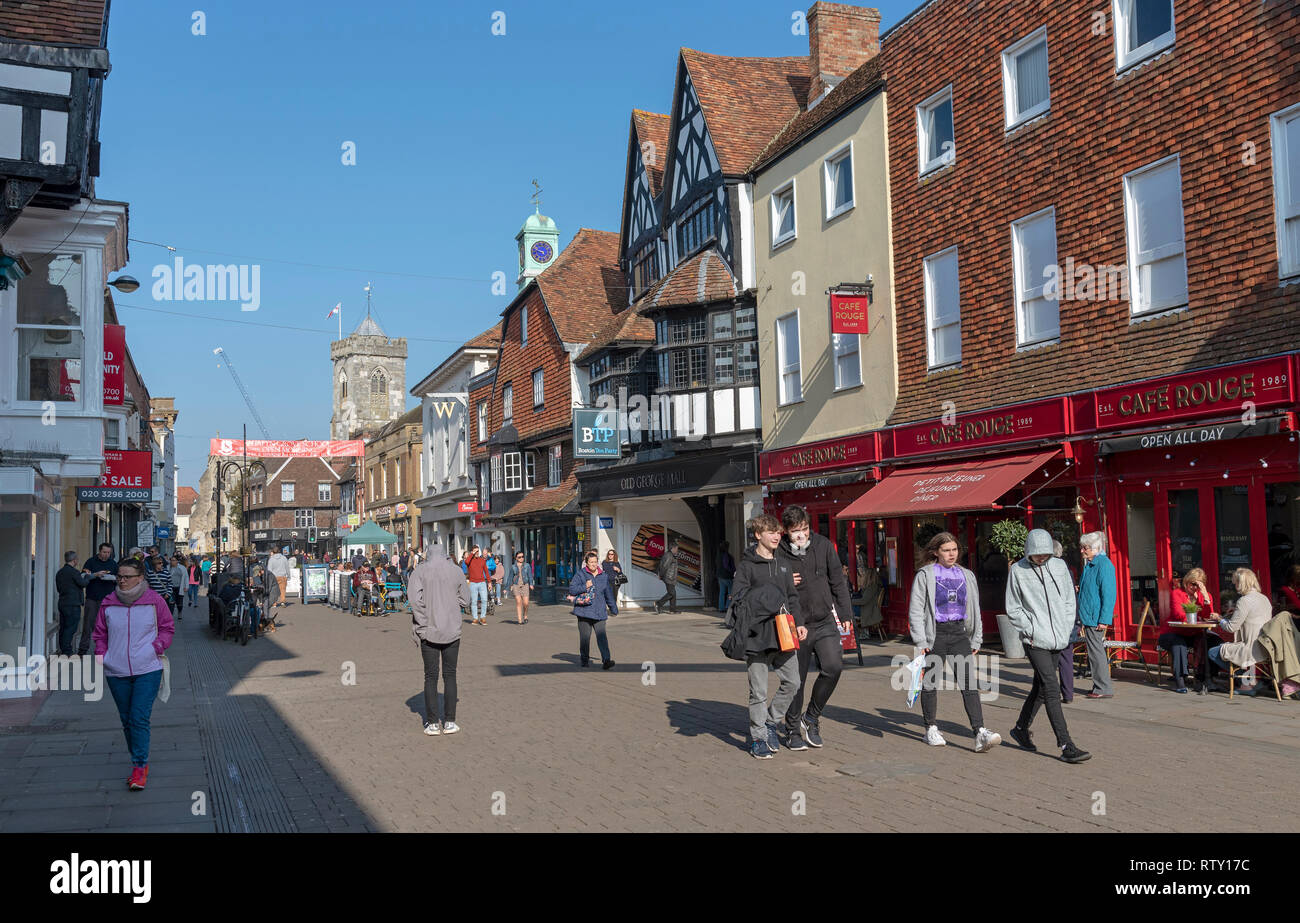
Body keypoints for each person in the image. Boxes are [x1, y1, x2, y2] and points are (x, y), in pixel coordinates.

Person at [908, 532, 1001, 753]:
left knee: (969, 684)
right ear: (935, 552)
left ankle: (979, 732)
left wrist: (976, 636)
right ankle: (930, 728)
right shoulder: (925, 575)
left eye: (954, 550)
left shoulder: (967, 575)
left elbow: (975, 607)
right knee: (931, 682)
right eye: (946, 550)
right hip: (935, 635)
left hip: (959, 633)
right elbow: (916, 608)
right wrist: (921, 640)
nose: (951, 554)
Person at [1005, 529, 1091, 763]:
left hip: (1059, 637)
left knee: (1041, 688)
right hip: (1035, 640)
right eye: (1037, 554)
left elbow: (1067, 599)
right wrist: (1030, 628)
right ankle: (1066, 745)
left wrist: (1065, 628)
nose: (1042, 558)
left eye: (1045, 554)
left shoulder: (1060, 566)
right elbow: (1013, 607)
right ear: (1029, 552)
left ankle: (1021, 729)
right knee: (1052, 688)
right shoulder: (1018, 571)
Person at [92, 559, 174, 791]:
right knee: (127, 720)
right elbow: (100, 633)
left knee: (138, 718)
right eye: (119, 576)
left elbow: (168, 628)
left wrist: (157, 647)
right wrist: (102, 655)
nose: (122, 580)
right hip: (116, 670)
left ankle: (139, 767)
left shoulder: (154, 601)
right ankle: (138, 759)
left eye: (127, 576)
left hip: (147, 668)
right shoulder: (108, 602)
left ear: (140, 578)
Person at [775, 506, 853, 750]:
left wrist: (845, 612)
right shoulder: (778, 552)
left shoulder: (823, 545)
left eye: (805, 529)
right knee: (795, 680)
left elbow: (837, 580)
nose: (802, 535)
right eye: (796, 531)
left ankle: (812, 717)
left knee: (833, 666)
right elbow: (764, 581)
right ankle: (792, 729)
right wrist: (783, 579)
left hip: (824, 619)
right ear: (786, 532)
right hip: (793, 623)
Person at [730, 514, 805, 759]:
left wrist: (799, 624)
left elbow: (792, 596)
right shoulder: (747, 566)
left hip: (783, 632)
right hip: (756, 635)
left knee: (793, 681)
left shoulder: (783, 564)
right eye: (771, 532)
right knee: (758, 691)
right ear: (758, 535)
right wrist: (768, 597)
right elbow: (739, 597)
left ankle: (771, 721)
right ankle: (758, 738)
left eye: (778, 533)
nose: (776, 536)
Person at [409, 543, 471, 736]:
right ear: (445, 554)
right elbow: (466, 600)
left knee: (430, 676)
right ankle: (450, 721)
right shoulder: (456, 571)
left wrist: (423, 619)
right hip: (452, 629)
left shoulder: (420, 571)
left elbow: (413, 600)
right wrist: (453, 604)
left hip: (429, 630)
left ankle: (433, 723)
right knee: (450, 675)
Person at [1206, 568, 1272, 692]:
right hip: (1265, 646)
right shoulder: (1264, 598)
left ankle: (1246, 681)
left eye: (1236, 582)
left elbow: (1231, 628)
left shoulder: (1244, 601)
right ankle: (1251, 680)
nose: (1234, 585)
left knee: (1213, 652)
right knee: (1226, 650)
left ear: (1241, 583)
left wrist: (1219, 619)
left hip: (1250, 647)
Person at [1159, 568, 1215, 693]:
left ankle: (1203, 677)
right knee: (1179, 643)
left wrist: (1205, 596)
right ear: (1186, 581)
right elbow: (1179, 614)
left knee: (1208, 640)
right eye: (1192, 583)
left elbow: (1208, 615)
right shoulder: (1177, 593)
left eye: (1198, 585)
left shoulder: (1203, 596)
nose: (1195, 587)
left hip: (1193, 634)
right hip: (1172, 633)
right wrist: (1197, 617)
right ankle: (1180, 679)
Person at [1077, 532, 1118, 699]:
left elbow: (1109, 594)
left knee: (1096, 653)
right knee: (1094, 653)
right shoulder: (1092, 563)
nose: (1082, 551)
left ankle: (1103, 688)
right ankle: (1099, 686)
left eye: (1085, 548)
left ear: (1095, 548)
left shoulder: (1103, 564)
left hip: (1095, 617)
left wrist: (1104, 619)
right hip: (1090, 615)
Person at [566, 550, 618, 669]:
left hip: (599, 611)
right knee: (585, 638)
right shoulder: (581, 574)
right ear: (587, 563)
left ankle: (606, 660)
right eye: (591, 562)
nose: (594, 564)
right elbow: (572, 590)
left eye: (595, 562)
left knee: (602, 637)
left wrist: (613, 608)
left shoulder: (603, 576)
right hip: (584, 612)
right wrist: (585, 586)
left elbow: (608, 593)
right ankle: (584, 660)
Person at [80, 543, 118, 656]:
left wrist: (112, 578)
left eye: (108, 553)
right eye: (104, 552)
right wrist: (95, 575)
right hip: (92, 598)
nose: (106, 555)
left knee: (108, 626)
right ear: (99, 551)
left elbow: (119, 578)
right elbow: (82, 576)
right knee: (88, 625)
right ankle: (82, 650)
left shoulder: (113, 563)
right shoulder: (91, 562)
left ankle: (106, 649)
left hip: (108, 599)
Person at [55, 551, 89, 656]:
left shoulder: (60, 572)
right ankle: (67, 651)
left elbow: (58, 588)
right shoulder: (74, 572)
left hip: (62, 602)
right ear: (74, 560)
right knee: (71, 628)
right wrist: (87, 576)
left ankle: (63, 649)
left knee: (64, 627)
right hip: (73, 604)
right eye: (77, 559)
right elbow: (83, 583)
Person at [465, 545, 491, 625]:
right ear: (472, 552)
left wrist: (489, 582)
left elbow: (486, 572)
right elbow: (466, 562)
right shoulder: (469, 560)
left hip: (482, 583)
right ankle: (475, 618)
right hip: (473, 583)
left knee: (484, 600)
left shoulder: (482, 560)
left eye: (478, 551)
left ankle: (483, 617)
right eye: (475, 551)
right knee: (474, 601)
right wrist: (472, 554)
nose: (477, 553)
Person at [509, 551, 535, 625]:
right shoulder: (513, 566)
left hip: (525, 585)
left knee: (526, 603)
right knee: (518, 602)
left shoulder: (527, 565)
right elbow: (510, 577)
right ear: (516, 558)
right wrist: (508, 587)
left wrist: (531, 584)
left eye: (522, 556)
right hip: (516, 585)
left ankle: (525, 615)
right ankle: (520, 620)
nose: (521, 558)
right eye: (519, 557)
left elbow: (530, 575)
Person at [654, 540, 679, 614]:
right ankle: (658, 604)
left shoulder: (671, 555)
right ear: (673, 548)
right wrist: (661, 575)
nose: (677, 550)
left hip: (671, 577)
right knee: (671, 593)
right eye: (677, 548)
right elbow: (664, 566)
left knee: (673, 593)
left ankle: (672, 610)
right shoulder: (669, 555)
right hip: (668, 577)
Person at [601, 550, 626, 617]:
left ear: (614, 555)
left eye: (612, 554)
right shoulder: (604, 562)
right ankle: (610, 609)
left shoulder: (616, 563)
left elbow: (620, 573)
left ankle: (613, 611)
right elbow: (602, 570)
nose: (610, 555)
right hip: (607, 582)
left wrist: (618, 570)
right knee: (606, 596)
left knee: (614, 596)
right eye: (609, 554)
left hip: (615, 582)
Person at [717, 541, 736, 612]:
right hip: (727, 576)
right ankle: (728, 606)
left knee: (722, 592)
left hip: (720, 576)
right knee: (730, 592)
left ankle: (721, 608)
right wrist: (732, 571)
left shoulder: (718, 555)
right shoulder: (726, 555)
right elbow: (726, 566)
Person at [168, 554, 187, 620]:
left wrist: (186, 586)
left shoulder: (182, 568)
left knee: (179, 603)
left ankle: (179, 611)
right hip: (171, 588)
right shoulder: (168, 568)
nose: (172, 562)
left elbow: (186, 577)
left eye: (174, 560)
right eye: (171, 560)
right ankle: (170, 616)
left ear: (177, 561)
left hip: (179, 588)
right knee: (171, 603)